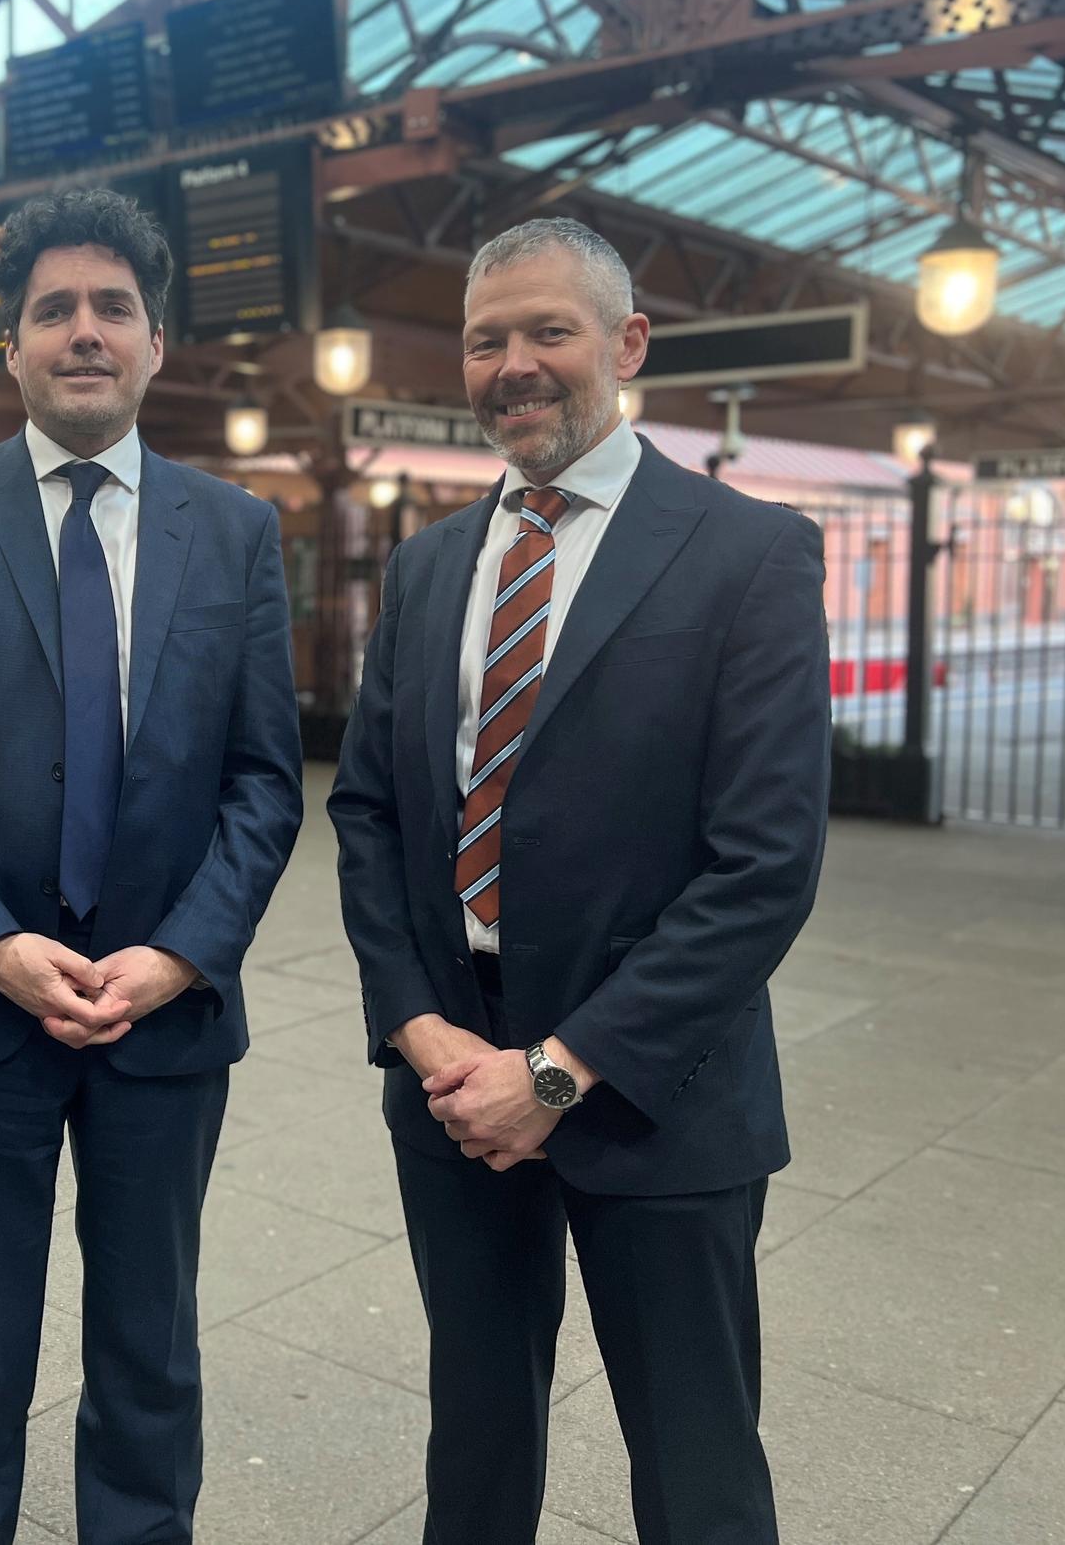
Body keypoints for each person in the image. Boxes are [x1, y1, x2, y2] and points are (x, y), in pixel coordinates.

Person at [329, 217, 830, 1545]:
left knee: (695, 1458)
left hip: (653, 1094)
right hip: (451, 1079)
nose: (512, 365)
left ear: (625, 343)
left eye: (547, 330)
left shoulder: (746, 554)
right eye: (485, 339)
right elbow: (371, 813)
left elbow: (763, 866)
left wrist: (556, 1072)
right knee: (476, 1437)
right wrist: (420, 1027)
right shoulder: (435, 563)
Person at [0, 188, 304, 1545]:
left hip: (160, 1014)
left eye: (113, 308)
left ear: (158, 344)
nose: (84, 331)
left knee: (148, 1350)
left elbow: (265, 779)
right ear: (12, 352)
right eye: (54, 310)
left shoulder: (232, 532)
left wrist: (180, 956)